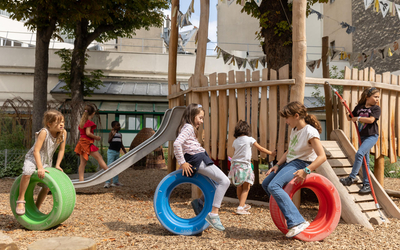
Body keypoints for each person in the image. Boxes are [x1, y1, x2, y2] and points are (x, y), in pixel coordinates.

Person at [262, 101, 326, 238]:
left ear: (296, 116)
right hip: (290, 162)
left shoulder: (310, 131)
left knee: (274, 185)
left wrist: (306, 170)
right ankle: (286, 211)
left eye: (287, 118)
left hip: (301, 164)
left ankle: (298, 221)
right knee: (266, 184)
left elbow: (322, 157)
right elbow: (289, 151)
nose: (286, 121)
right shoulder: (295, 130)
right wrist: (277, 165)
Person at [173, 103, 230, 231]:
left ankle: (200, 202)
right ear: (192, 115)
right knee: (225, 181)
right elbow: (177, 144)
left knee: (216, 183)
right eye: (200, 117)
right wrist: (182, 163)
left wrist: (182, 161)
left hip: (198, 158)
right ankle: (214, 214)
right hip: (198, 159)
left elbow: (182, 145)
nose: (201, 121)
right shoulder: (188, 127)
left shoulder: (186, 127)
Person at [15, 110, 67, 215]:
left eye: (63, 122)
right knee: (27, 173)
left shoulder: (63, 133)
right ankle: (20, 200)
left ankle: (36, 208)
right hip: (33, 158)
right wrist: (39, 167)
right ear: (49, 124)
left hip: (46, 160)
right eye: (58, 122)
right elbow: (36, 151)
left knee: (46, 186)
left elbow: (61, 150)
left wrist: (57, 165)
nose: (61, 124)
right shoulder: (44, 132)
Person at [228, 120, 276, 215]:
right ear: (247, 130)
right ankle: (240, 208)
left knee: (239, 186)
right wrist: (271, 153)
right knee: (246, 187)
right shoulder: (250, 139)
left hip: (235, 166)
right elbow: (261, 149)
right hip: (245, 166)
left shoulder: (235, 141)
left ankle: (242, 204)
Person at [339, 87, 381, 194]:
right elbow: (350, 117)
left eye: (378, 97)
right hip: (361, 136)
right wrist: (344, 105)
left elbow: (371, 120)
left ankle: (352, 178)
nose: (377, 99)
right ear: (367, 97)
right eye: (375, 97)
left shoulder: (376, 109)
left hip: (371, 136)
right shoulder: (359, 107)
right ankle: (367, 185)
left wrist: (358, 118)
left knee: (359, 154)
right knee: (365, 162)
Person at [75, 104, 108, 181]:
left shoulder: (82, 122)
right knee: (99, 157)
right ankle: (108, 171)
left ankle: (81, 179)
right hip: (87, 143)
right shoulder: (89, 122)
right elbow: (88, 133)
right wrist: (96, 137)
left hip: (81, 142)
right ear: (93, 113)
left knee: (83, 163)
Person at [104, 121, 127, 188]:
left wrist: (125, 152)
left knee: (116, 167)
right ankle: (107, 182)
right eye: (117, 125)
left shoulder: (120, 134)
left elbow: (121, 144)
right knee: (109, 166)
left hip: (117, 152)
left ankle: (115, 182)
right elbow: (109, 141)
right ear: (113, 127)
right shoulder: (111, 133)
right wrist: (113, 135)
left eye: (119, 125)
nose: (119, 126)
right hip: (111, 152)